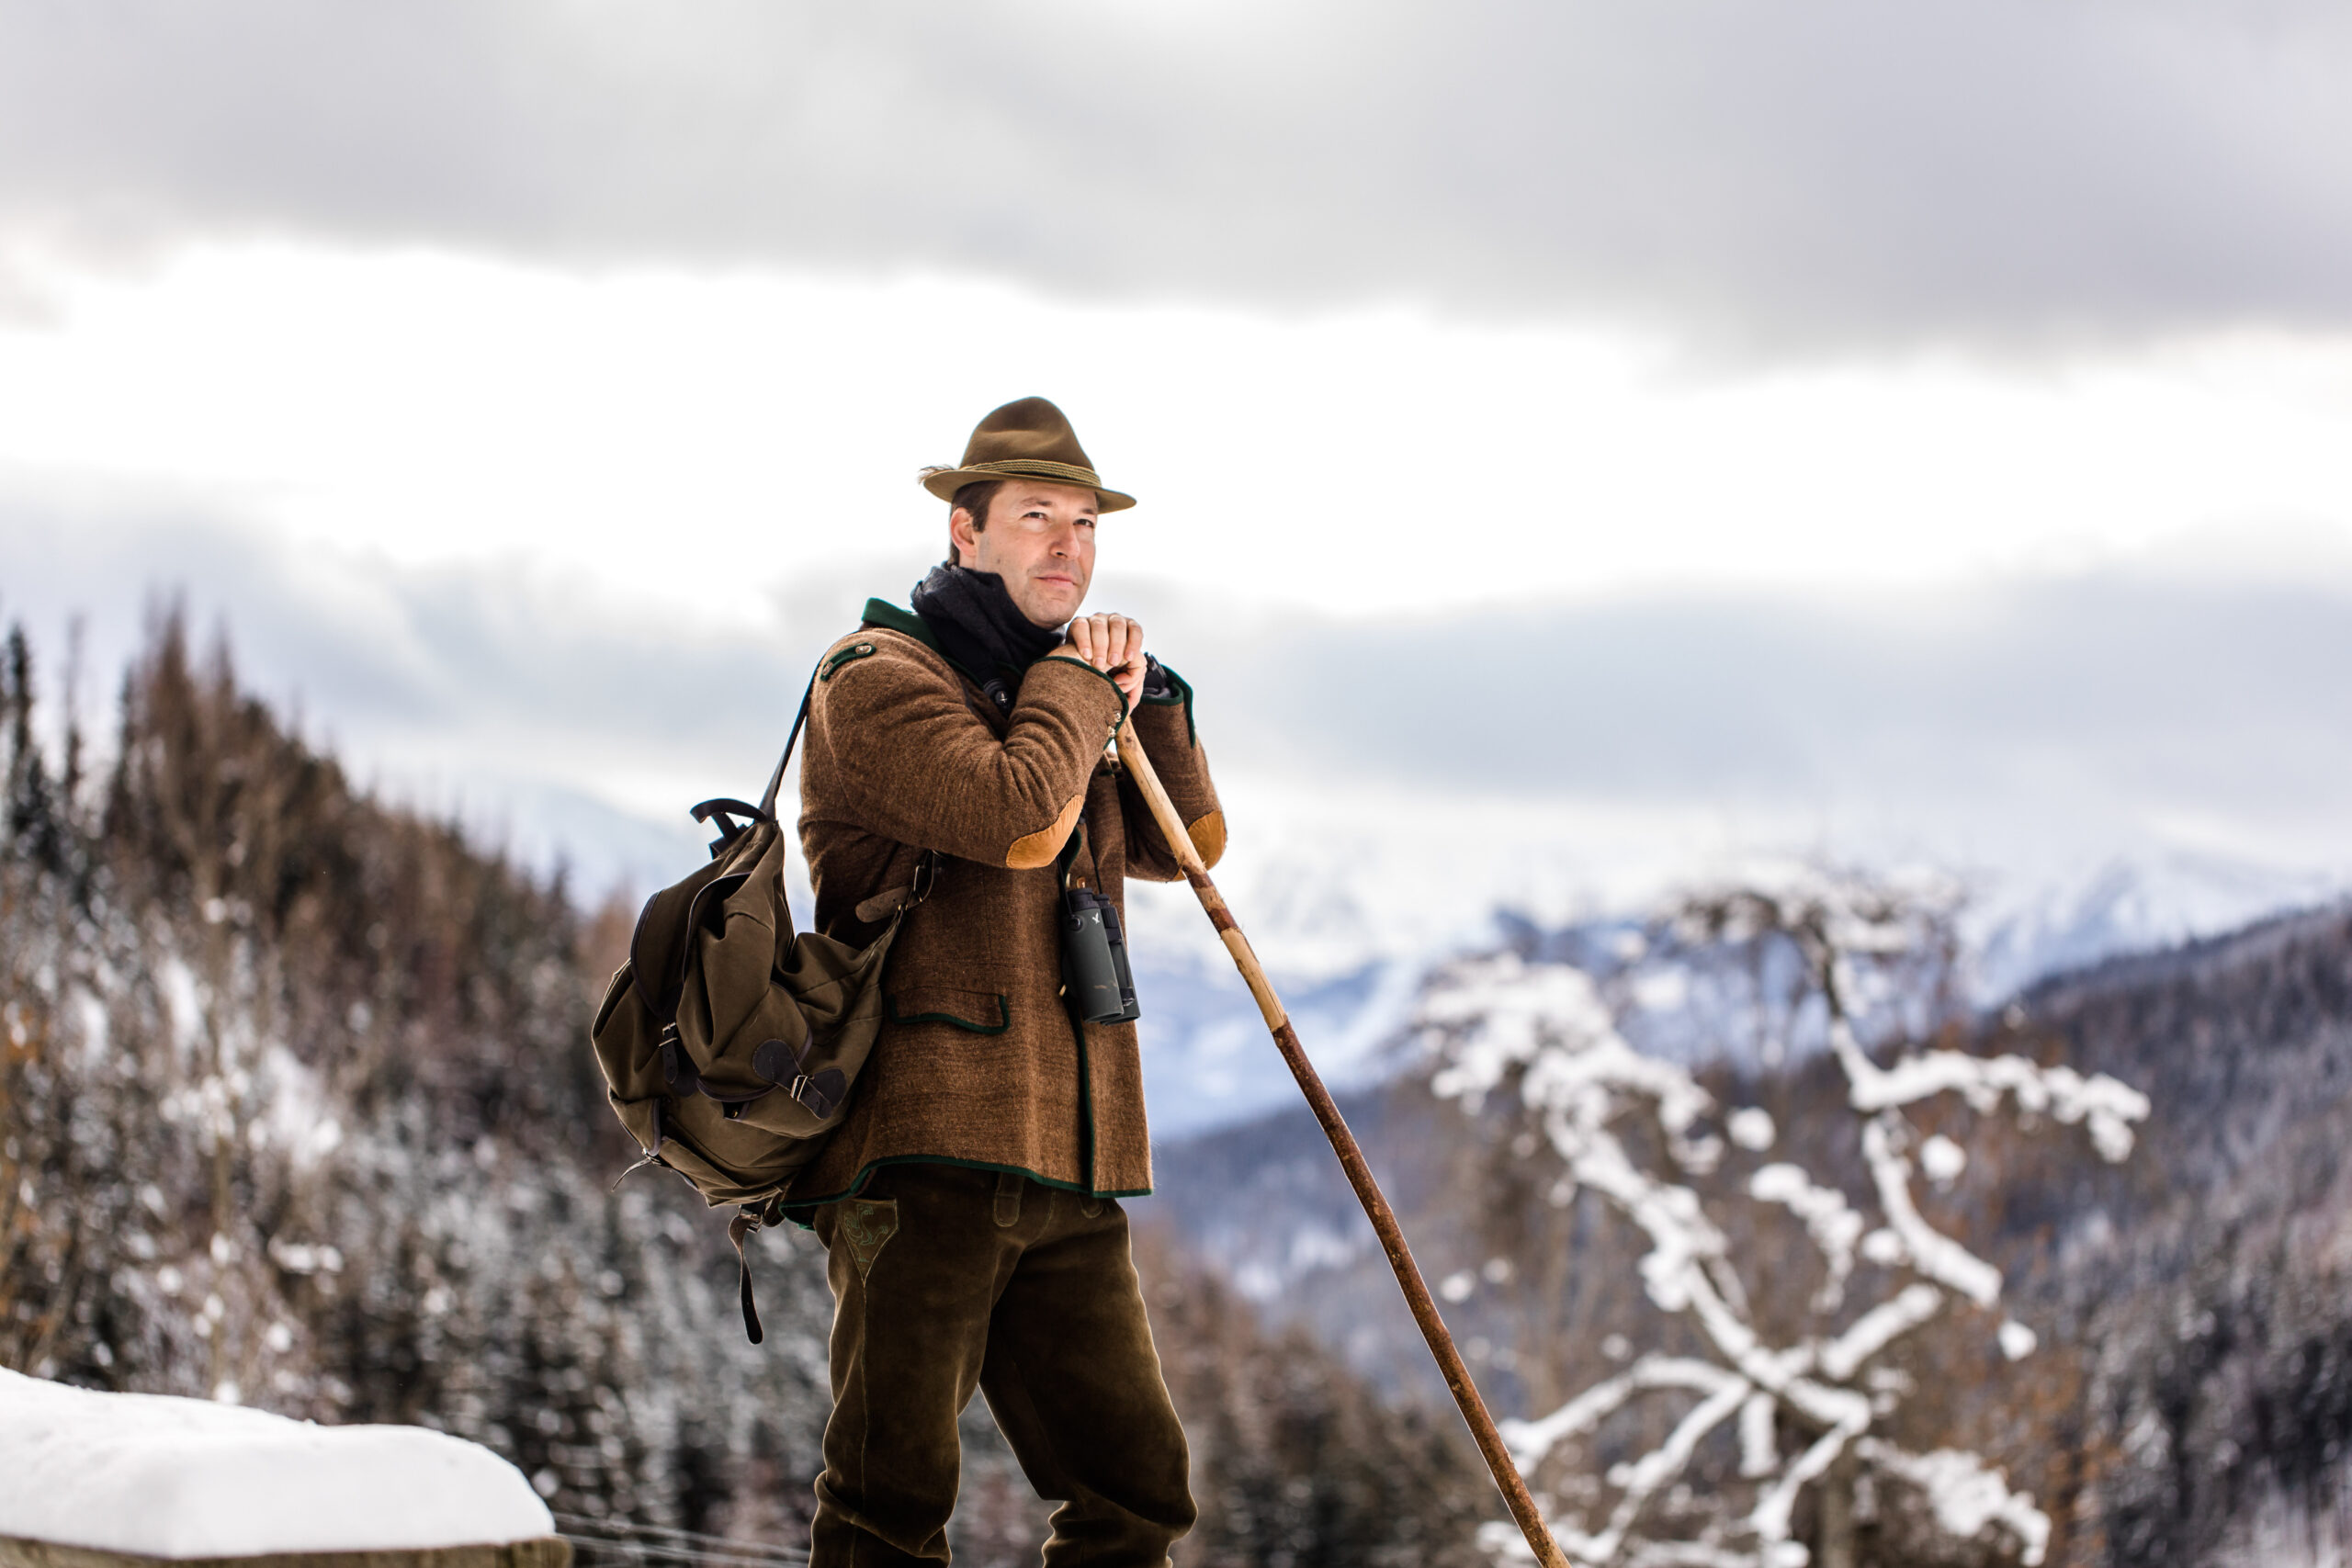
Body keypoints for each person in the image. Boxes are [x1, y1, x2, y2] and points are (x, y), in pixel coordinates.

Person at [786, 397, 1226, 1566]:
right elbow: (1017, 817)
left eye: (1084, 524)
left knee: (1136, 1500)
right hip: (918, 1156)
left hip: (1067, 1157)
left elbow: (1187, 845)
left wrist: (1154, 698)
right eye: (1037, 518)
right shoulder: (873, 678)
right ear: (964, 533)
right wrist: (1082, 692)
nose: (1069, 548)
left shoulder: (1058, 693)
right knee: (890, 1503)